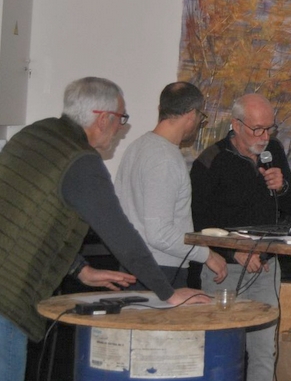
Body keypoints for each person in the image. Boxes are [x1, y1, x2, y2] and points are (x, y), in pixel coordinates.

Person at [0, 77, 210, 381]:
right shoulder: (81, 161)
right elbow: (122, 237)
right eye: (121, 119)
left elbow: (29, 216)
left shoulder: (35, 134)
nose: (121, 129)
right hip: (6, 301)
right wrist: (168, 293)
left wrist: (79, 269)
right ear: (103, 118)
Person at [191, 93, 291, 381]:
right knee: (221, 352)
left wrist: (283, 187)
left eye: (269, 128)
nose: (264, 137)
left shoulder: (274, 151)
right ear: (236, 125)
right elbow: (197, 223)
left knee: (264, 352)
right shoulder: (210, 161)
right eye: (257, 129)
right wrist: (233, 252)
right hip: (224, 271)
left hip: (265, 267)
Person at [115, 81, 228, 289]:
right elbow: (160, 233)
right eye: (201, 117)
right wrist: (207, 255)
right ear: (192, 114)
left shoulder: (137, 147)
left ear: (162, 109)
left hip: (134, 264)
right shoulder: (165, 159)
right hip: (160, 269)